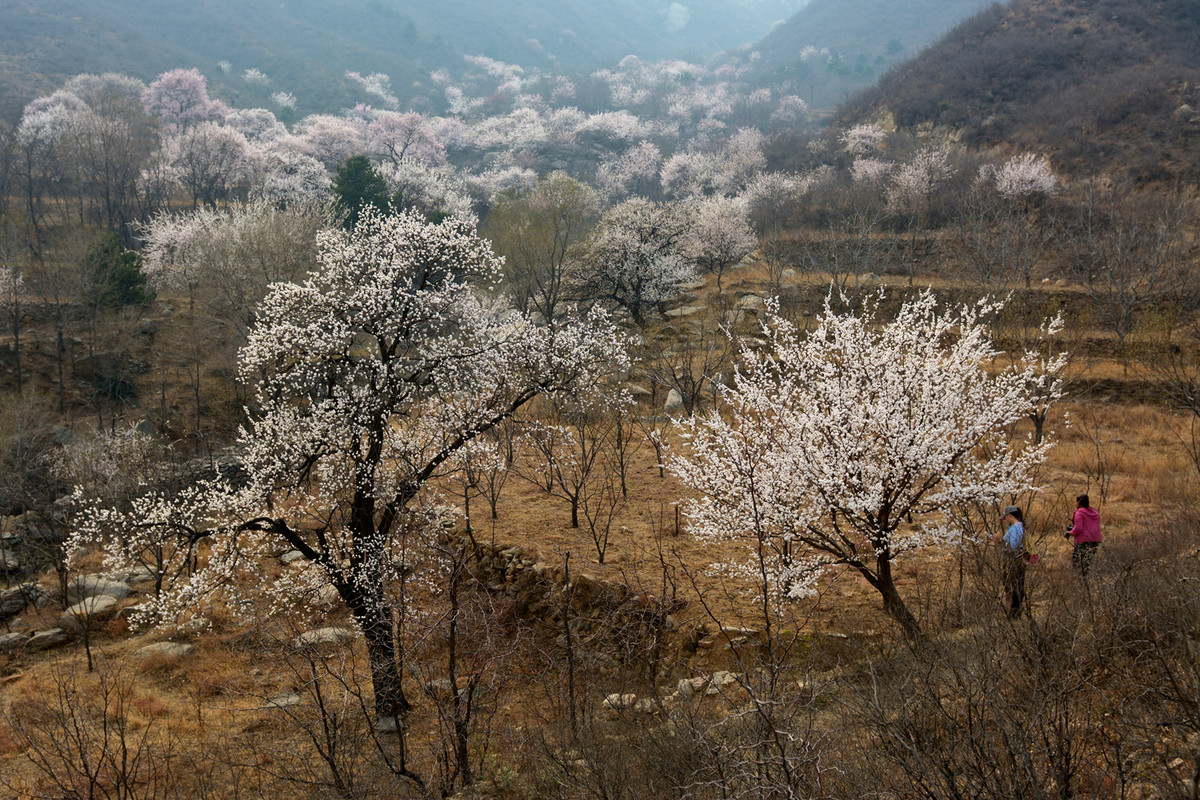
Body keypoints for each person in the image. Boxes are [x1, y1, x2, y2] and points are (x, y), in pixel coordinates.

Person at [991, 505, 1026, 618]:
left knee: (1015, 586)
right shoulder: (1017, 527)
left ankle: (1015, 613)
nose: (1005, 520)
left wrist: (1001, 541)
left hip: (1015, 560)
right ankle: (1016, 611)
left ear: (1010, 516)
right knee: (1017, 585)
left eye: (1006, 517)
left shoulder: (1016, 527)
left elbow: (1013, 547)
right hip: (1017, 559)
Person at [1066, 494, 1102, 576]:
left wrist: (1071, 533)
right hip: (1095, 541)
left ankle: (1080, 582)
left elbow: (1078, 528)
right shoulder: (1095, 512)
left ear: (1078, 502)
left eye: (1075, 502)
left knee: (1077, 563)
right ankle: (1087, 581)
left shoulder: (1079, 512)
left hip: (1083, 542)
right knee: (1087, 563)